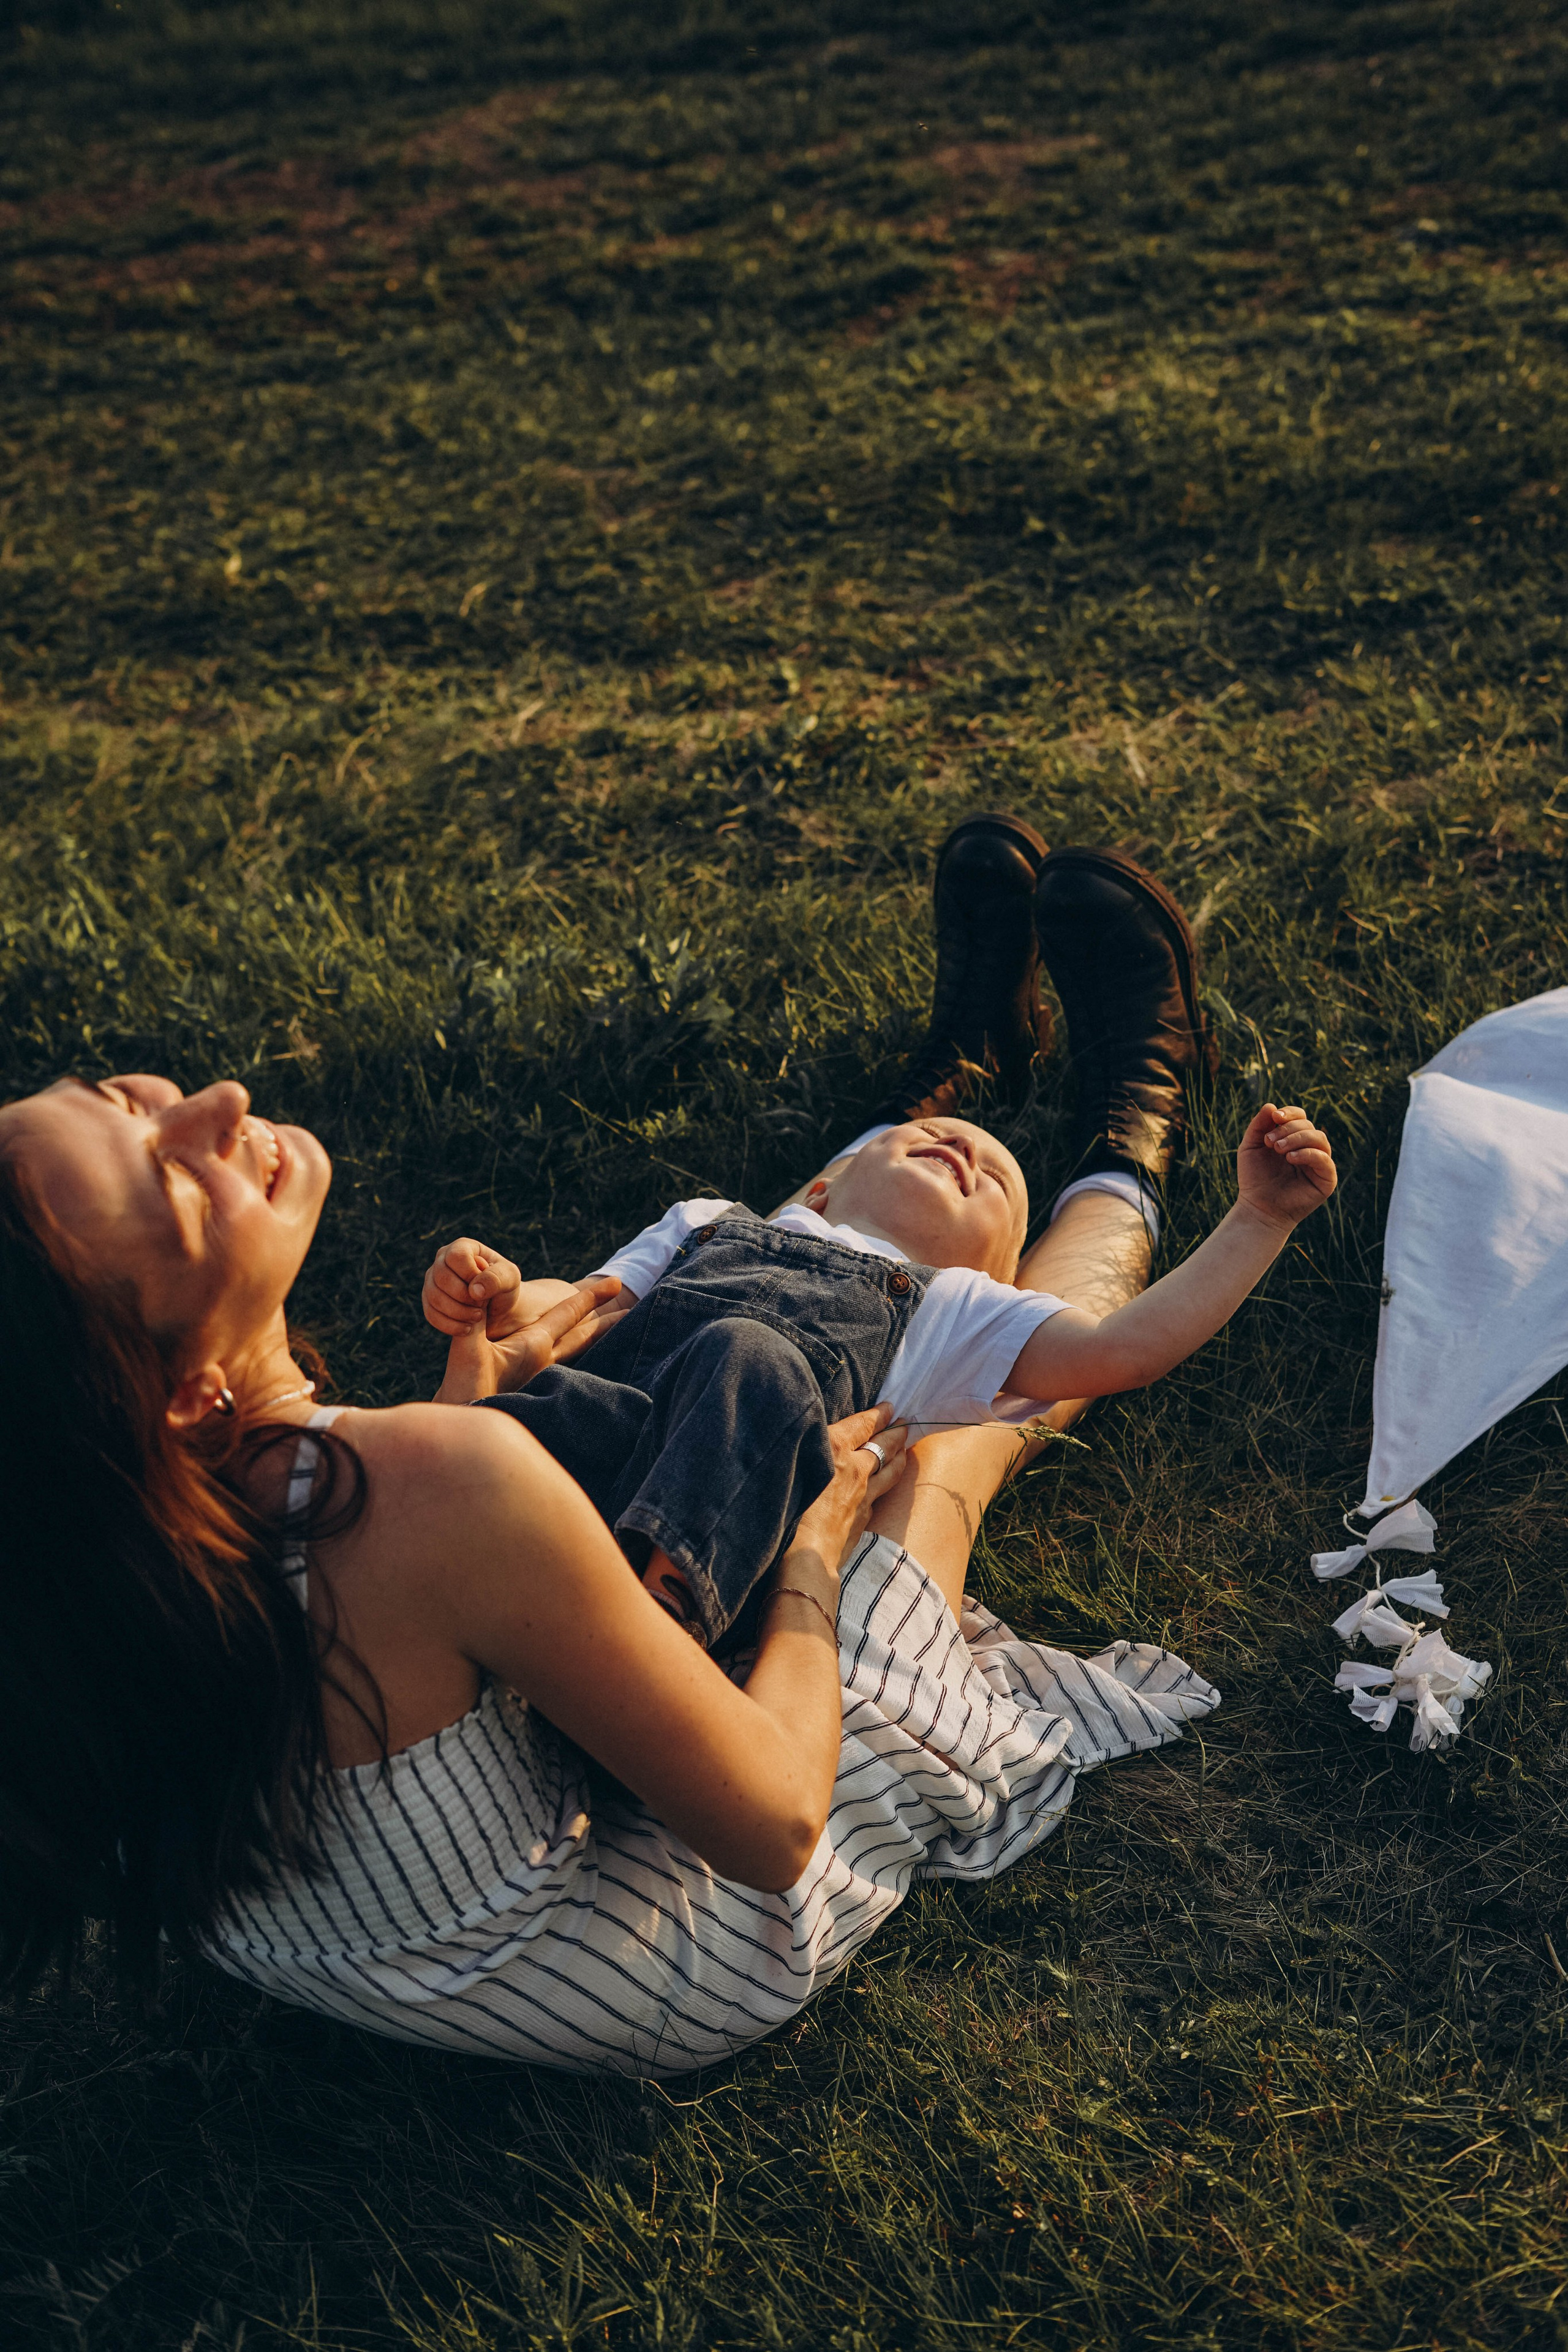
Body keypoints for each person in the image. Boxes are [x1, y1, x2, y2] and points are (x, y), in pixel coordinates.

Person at [0, 825, 1295, 2077]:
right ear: (179, 1395)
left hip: (336, 1947)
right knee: (931, 1453)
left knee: (743, 1302)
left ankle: (936, 1097)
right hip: (662, 1942)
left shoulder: (69, 1522)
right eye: (170, 1184)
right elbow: (774, 1825)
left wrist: (486, 1381)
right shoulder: (429, 1493)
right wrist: (806, 1548)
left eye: (123, 1098)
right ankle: (1129, 1127)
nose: (213, 1103)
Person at [421, 1092, 1333, 1648]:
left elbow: (1119, 1350)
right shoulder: (709, 1219)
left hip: (718, 1510)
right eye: (932, 1132)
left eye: (996, 1181)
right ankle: (443, 1541)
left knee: (752, 1362)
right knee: (530, 1410)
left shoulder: (952, 1311)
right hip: (591, 1444)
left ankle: (659, 1622)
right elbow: (583, 1312)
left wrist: (1259, 1220)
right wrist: (493, 1297)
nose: (966, 1149)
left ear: (999, 1280)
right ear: (820, 1188)